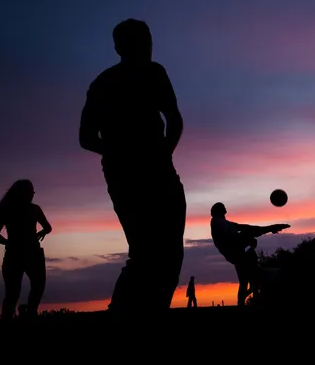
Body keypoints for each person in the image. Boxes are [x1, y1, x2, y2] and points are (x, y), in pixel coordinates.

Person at [79, 19, 186, 320]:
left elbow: (174, 120)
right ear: (121, 47)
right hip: (126, 176)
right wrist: (118, 152)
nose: (148, 44)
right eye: (142, 39)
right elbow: (85, 138)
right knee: (145, 254)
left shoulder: (155, 73)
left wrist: (164, 152)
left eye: (149, 38)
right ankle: (123, 313)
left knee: (166, 254)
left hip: (158, 171)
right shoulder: (104, 84)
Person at [0, 179, 52, 321]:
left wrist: (40, 233)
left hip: (30, 254)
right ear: (22, 193)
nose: (32, 195)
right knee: (13, 294)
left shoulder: (34, 209)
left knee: (36, 287)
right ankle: (15, 316)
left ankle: (30, 312)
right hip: (16, 255)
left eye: (33, 192)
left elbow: (48, 227)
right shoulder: (8, 210)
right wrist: (8, 243)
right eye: (30, 192)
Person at [209, 202, 290, 307]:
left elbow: (247, 228)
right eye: (223, 208)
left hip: (237, 254)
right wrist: (269, 229)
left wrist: (270, 228)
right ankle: (251, 297)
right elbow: (238, 234)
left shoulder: (226, 223)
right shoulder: (218, 222)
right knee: (252, 279)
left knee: (245, 281)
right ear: (220, 211)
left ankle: (242, 302)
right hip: (236, 252)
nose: (225, 210)